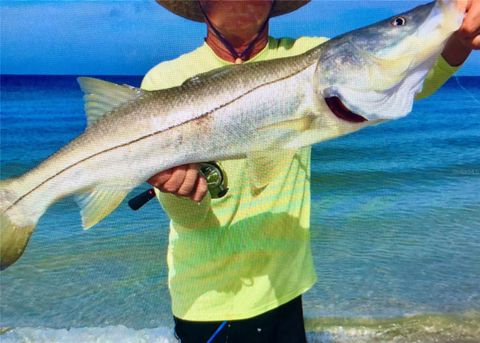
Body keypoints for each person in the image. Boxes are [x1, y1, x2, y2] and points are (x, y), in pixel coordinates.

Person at [141, 1, 479, 342]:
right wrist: (178, 191)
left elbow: (400, 76)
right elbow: (192, 222)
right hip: (211, 303)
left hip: (287, 289)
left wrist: (460, 40)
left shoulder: (311, 55)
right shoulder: (166, 79)